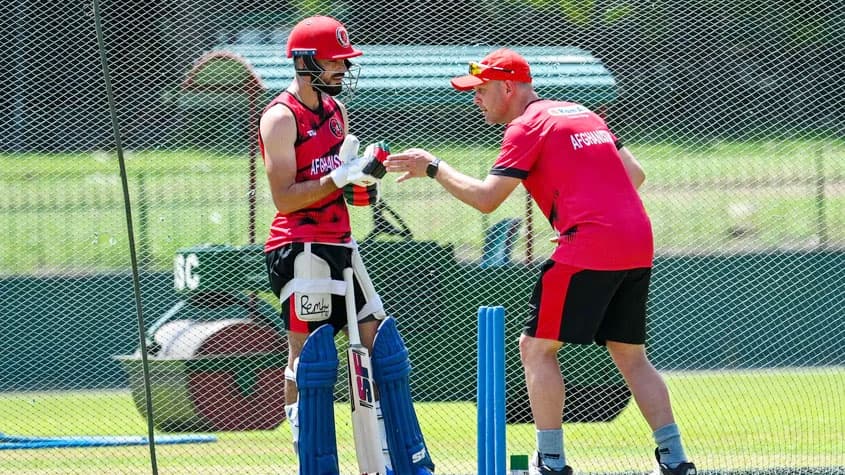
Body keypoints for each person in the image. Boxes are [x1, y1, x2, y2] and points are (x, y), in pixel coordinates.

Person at [384, 48, 696, 475]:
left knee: (535, 349)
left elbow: (487, 199)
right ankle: (675, 459)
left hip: (591, 243)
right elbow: (635, 175)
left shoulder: (525, 126)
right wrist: (584, 210)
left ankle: (550, 460)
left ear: (507, 87)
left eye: (481, 89)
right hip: (637, 240)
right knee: (631, 355)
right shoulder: (581, 112)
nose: (476, 98)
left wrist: (433, 167)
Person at [259, 15, 434, 475]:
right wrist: (338, 175)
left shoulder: (337, 114)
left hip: (341, 243)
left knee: (381, 342)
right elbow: (285, 198)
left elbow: (347, 194)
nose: (342, 68)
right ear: (305, 61)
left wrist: (362, 182)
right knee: (310, 357)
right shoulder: (280, 117)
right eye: (336, 60)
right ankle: (311, 459)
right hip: (299, 247)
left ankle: (399, 459)